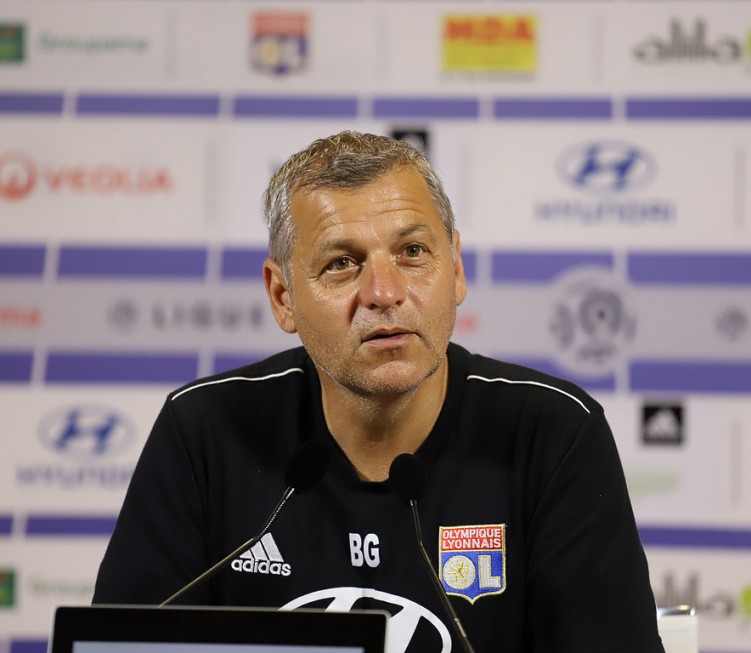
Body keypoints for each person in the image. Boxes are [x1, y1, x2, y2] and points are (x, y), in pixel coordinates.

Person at [93, 131, 665, 653]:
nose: (384, 292)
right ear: (283, 296)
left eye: (412, 253)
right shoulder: (204, 431)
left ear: (456, 269)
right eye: (342, 263)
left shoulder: (554, 432)